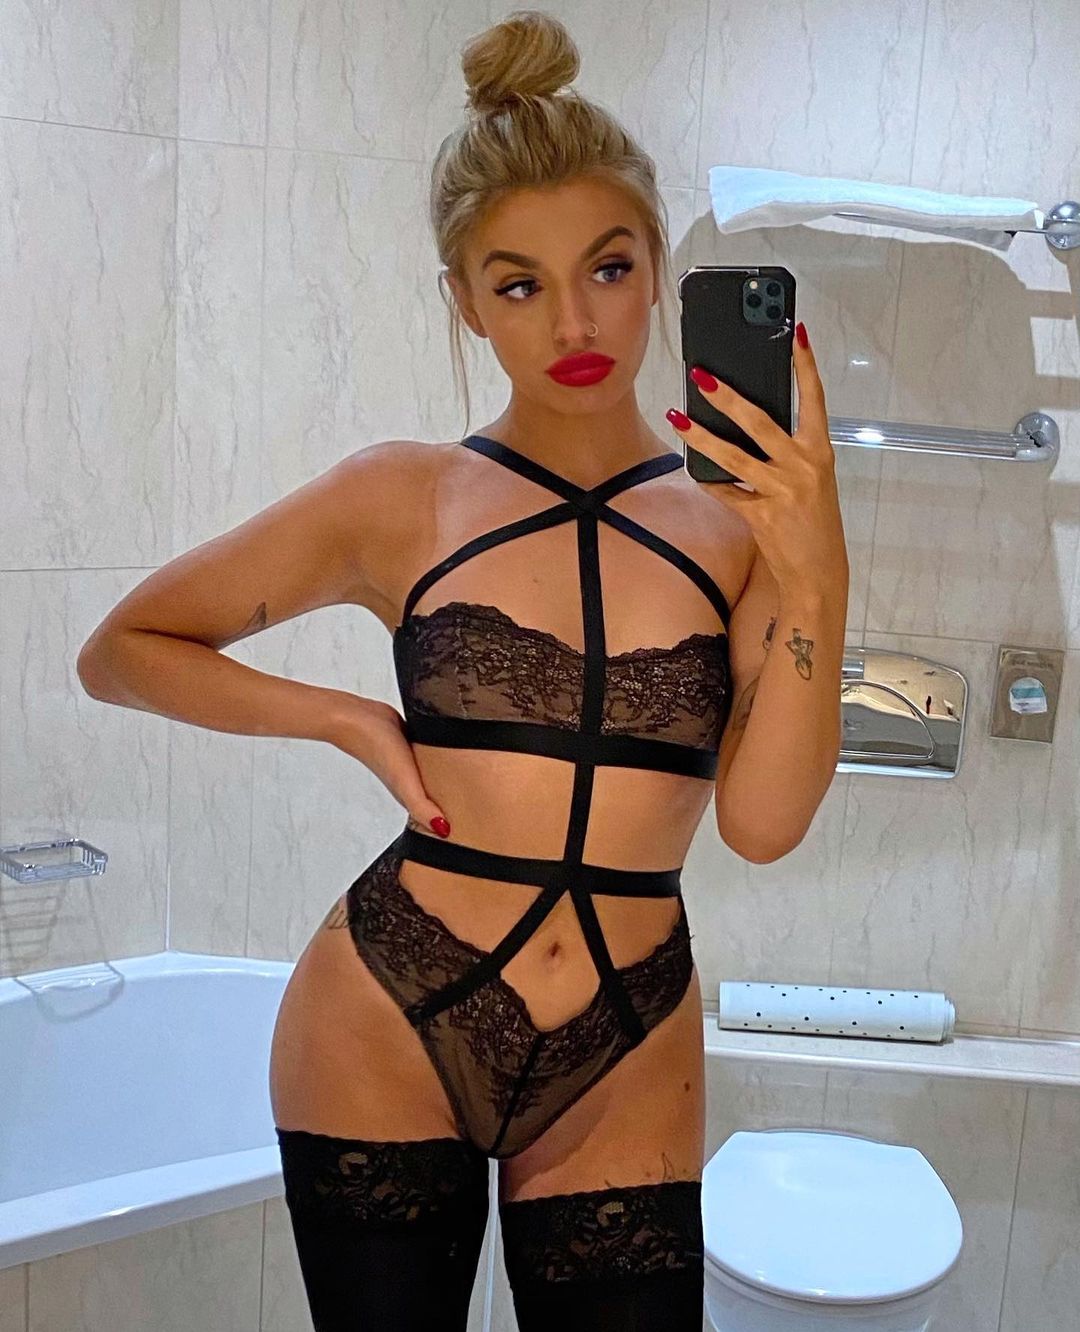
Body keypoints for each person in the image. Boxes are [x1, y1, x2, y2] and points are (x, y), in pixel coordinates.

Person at [77, 10, 848, 1329]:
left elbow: (764, 824)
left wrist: (819, 566)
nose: (573, 320)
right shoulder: (402, 496)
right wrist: (345, 718)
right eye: (518, 284)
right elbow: (124, 652)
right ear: (465, 301)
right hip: (388, 1006)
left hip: (630, 1027)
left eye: (607, 268)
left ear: (657, 269)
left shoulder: (747, 528)